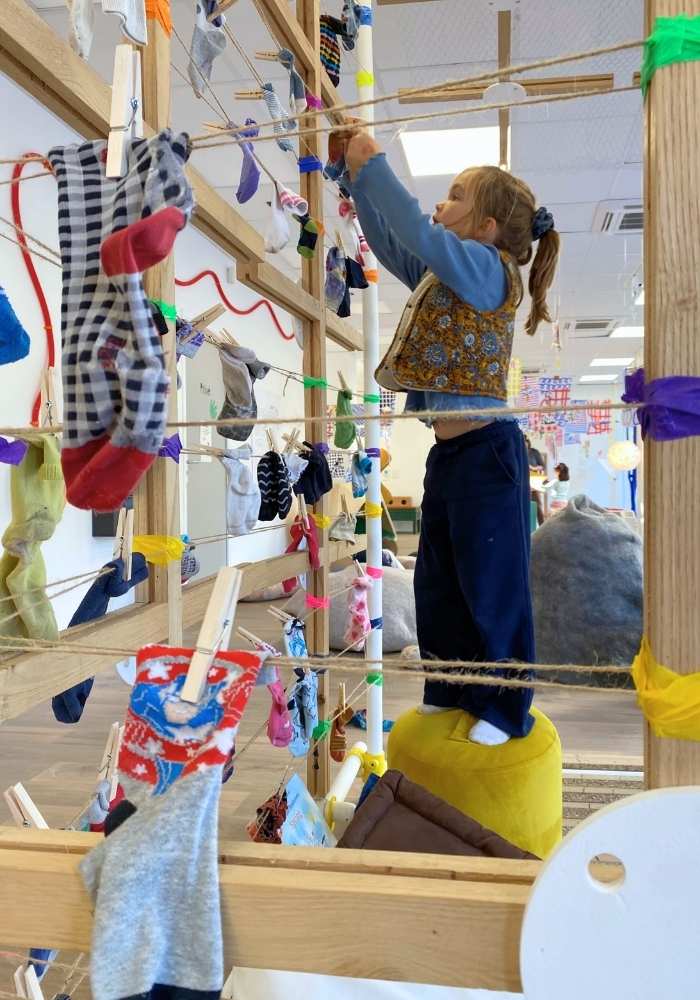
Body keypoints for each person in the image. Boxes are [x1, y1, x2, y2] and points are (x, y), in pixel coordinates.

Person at [342, 129, 560, 746]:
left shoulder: (490, 272)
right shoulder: (448, 273)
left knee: (492, 584)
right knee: (439, 578)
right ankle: (448, 685)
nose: (440, 204)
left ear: (487, 227)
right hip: (453, 452)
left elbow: (419, 231)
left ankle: (505, 708)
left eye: (454, 196)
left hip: (490, 452)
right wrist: (358, 185)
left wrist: (374, 164)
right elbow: (393, 243)